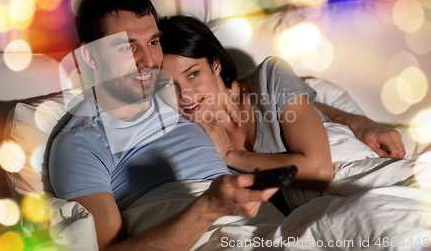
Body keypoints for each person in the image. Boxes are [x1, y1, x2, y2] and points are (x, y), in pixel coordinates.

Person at [48, 0, 279, 251]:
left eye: (153, 42)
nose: (148, 60)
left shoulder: (180, 97)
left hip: (267, 226)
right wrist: (210, 206)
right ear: (90, 55)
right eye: (127, 47)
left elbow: (246, 91)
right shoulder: (81, 142)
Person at [158, 15, 406, 190]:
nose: (185, 94)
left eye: (192, 74)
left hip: (367, 181)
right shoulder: (189, 133)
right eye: (168, 84)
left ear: (215, 64)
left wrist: (233, 155)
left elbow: (319, 171)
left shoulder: (270, 77)